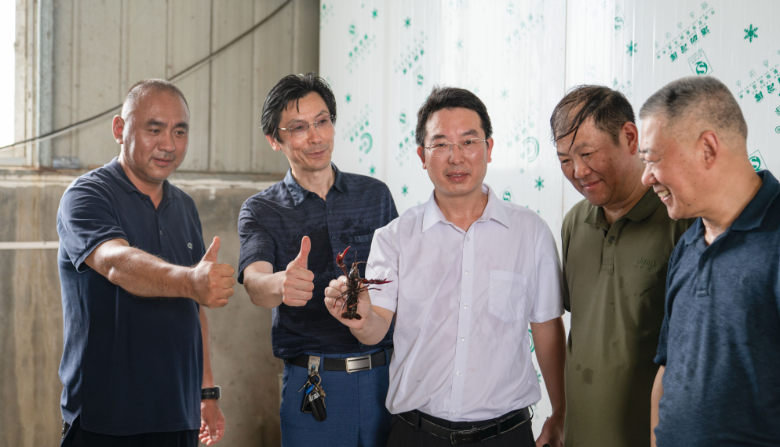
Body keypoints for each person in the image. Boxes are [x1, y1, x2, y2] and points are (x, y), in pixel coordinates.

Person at [325, 86, 566, 447]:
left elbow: (546, 326)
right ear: (422, 156)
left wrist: (560, 411)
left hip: (507, 434)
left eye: (468, 142)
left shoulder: (530, 232)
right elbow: (375, 327)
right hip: (417, 434)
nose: (456, 157)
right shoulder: (395, 237)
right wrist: (359, 318)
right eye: (440, 144)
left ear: (489, 148)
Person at [57, 79, 233, 447]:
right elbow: (116, 263)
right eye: (154, 129)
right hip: (106, 417)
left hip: (178, 414)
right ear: (119, 130)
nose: (169, 145)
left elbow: (195, 308)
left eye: (179, 131)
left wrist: (207, 393)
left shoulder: (184, 206)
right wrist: (190, 281)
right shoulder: (88, 195)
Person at [238, 73, 398, 447]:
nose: (315, 137)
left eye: (322, 121)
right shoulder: (261, 209)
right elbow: (255, 281)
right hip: (314, 386)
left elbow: (401, 282)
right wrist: (280, 283)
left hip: (385, 380)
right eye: (298, 127)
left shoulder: (374, 195)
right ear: (274, 139)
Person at [640, 76, 780, 447]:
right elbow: (667, 369)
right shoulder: (686, 245)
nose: (645, 177)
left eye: (653, 159)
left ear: (707, 149)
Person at [549, 86, 691, 446]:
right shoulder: (574, 222)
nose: (578, 171)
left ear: (630, 138)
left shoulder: (682, 220)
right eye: (565, 159)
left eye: (587, 153)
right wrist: (560, 416)